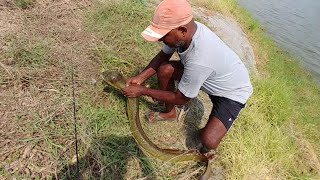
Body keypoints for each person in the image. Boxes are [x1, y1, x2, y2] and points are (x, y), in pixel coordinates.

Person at [122, 0, 253, 154]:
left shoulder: (201, 58)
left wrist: (143, 91)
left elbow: (181, 99)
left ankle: (212, 139)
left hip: (231, 93)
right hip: (211, 75)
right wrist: (140, 78)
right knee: (164, 70)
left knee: (208, 141)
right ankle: (170, 113)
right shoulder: (182, 33)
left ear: (182, 31)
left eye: (163, 35)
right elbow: (163, 56)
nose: (159, 39)